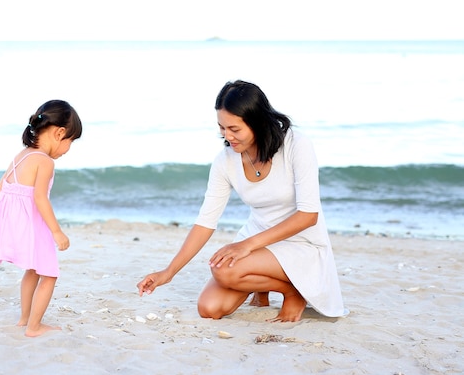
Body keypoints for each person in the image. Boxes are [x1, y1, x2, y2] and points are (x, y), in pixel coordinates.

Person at [137, 80, 345, 322]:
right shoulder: (225, 160)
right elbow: (206, 221)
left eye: (234, 129)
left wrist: (247, 246)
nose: (227, 136)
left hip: (301, 243)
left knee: (223, 270)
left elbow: (308, 216)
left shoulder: (296, 145)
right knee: (210, 308)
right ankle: (276, 286)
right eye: (222, 128)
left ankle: (294, 293)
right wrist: (168, 272)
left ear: (257, 122)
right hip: (257, 239)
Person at [0, 99, 82, 337]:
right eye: (71, 142)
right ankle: (34, 327)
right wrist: (57, 231)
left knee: (33, 270)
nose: (68, 149)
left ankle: (24, 319)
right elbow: (40, 199)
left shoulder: (22, 155)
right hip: (33, 225)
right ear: (59, 133)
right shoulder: (44, 161)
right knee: (49, 273)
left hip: (15, 225)